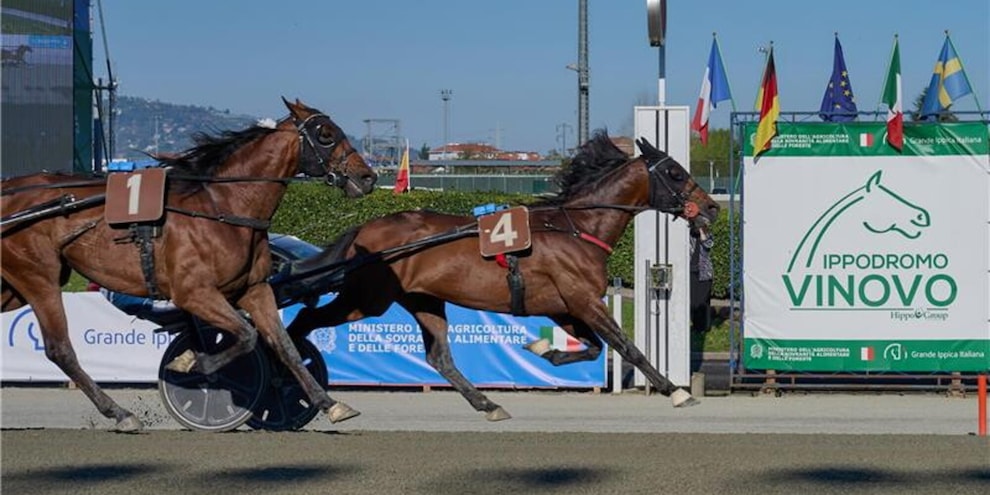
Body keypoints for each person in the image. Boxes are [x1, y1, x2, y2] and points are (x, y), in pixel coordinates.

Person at [689, 224, 715, 333]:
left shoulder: (707, 234)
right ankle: (696, 325)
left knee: (703, 301)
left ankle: (704, 327)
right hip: (691, 272)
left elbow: (708, 244)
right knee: (693, 301)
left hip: (704, 273)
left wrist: (702, 232)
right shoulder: (688, 236)